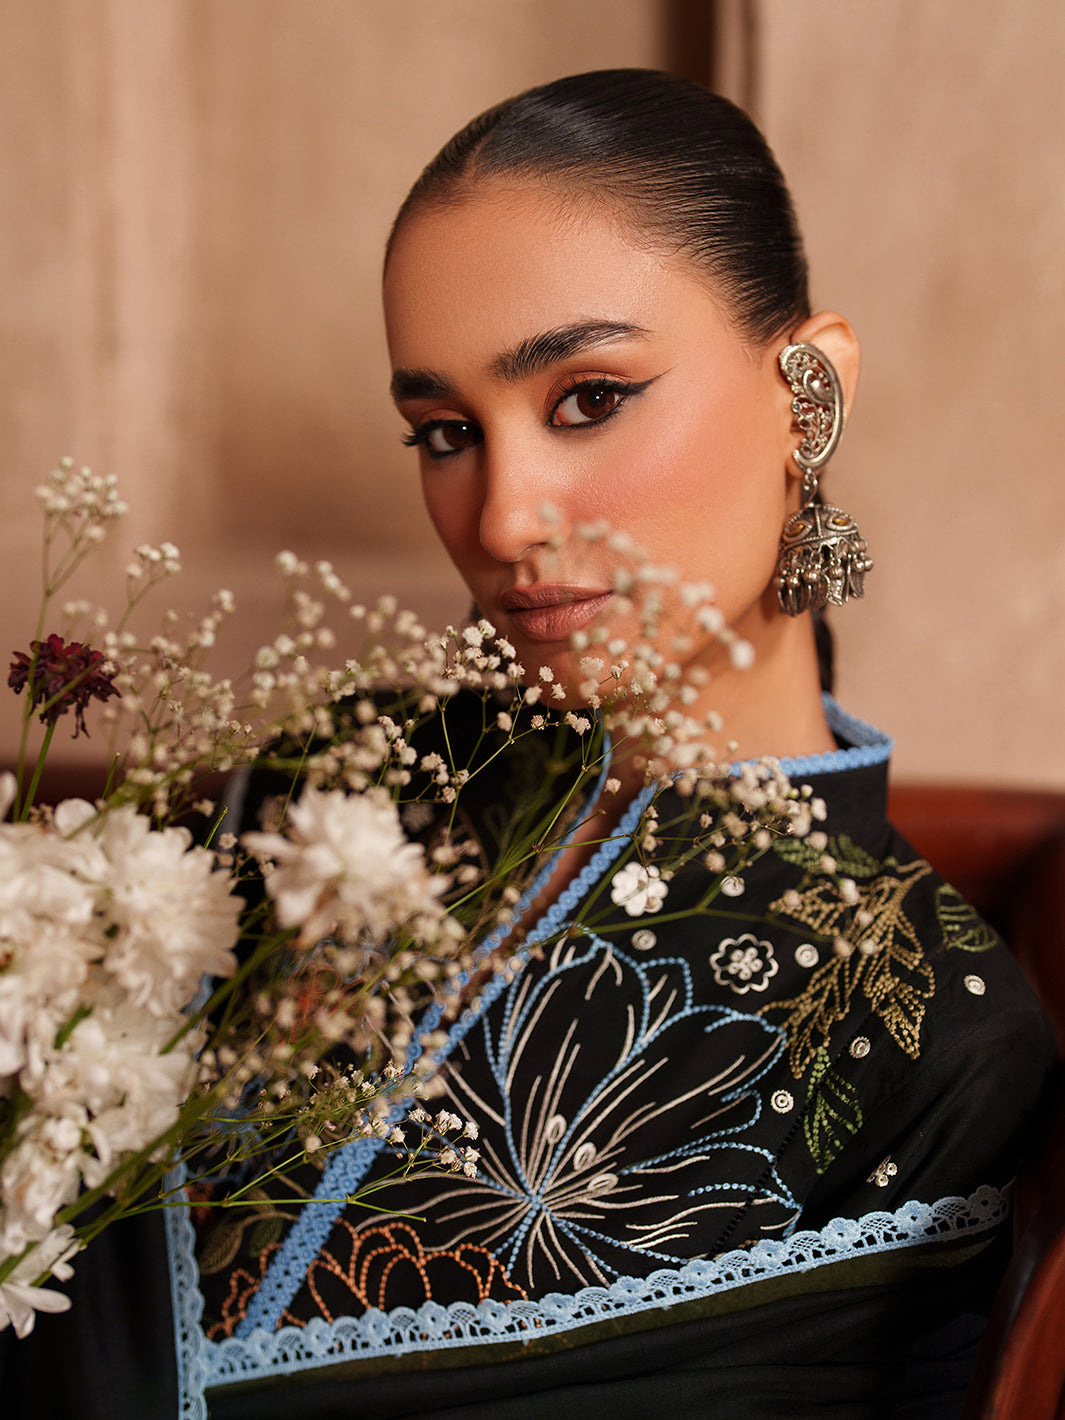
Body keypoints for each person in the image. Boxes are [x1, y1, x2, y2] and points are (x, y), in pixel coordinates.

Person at [3, 68, 1053, 1419]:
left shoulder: (933, 1037)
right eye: (444, 432)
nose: (501, 519)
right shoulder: (337, 781)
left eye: (588, 398)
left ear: (808, 393)